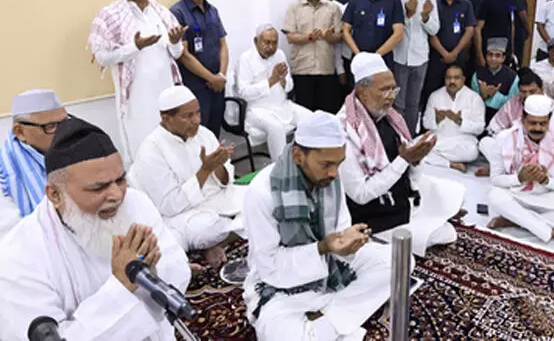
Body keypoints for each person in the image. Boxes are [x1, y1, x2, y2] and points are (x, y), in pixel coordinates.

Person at [0, 117, 190, 340]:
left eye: (120, 180)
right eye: (99, 188)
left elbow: (177, 265)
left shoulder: (136, 203)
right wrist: (122, 286)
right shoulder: (19, 255)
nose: (117, 195)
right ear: (55, 194)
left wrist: (154, 273)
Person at [243, 111, 392, 340]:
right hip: (281, 288)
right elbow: (269, 266)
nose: (334, 173)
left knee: (397, 261)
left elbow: (340, 230)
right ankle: (337, 317)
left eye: (339, 163)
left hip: (331, 267)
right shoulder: (261, 192)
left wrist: (347, 242)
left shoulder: (330, 178)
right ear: (298, 155)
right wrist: (323, 247)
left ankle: (327, 317)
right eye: (326, 164)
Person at [338, 53, 463, 256]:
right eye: (384, 90)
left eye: (393, 89)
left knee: (454, 192)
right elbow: (360, 194)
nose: (391, 96)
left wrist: (417, 159)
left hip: (401, 196)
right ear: (362, 91)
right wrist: (404, 160)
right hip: (374, 214)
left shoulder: (391, 117)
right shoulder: (344, 130)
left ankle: (432, 214)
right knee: (445, 234)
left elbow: (410, 171)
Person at [128, 86, 246, 267]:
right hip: (184, 214)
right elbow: (169, 206)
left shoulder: (204, 134)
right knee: (206, 230)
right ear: (166, 119)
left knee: (258, 197)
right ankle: (216, 241)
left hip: (217, 200)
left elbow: (226, 181)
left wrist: (218, 166)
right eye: (188, 116)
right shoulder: (151, 150)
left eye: (198, 113)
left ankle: (215, 243)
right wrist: (204, 171)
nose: (196, 120)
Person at [88, 0, 187, 164]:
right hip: (136, 103)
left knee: (171, 151)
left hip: (166, 98)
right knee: (143, 153)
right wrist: (135, 47)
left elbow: (176, 54)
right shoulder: (109, 16)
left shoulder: (161, 12)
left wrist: (175, 42)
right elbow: (102, 57)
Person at [486, 94, 554, 249]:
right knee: (494, 196)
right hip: (515, 193)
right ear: (523, 119)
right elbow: (495, 179)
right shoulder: (504, 138)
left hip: (545, 196)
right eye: (532, 123)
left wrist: (545, 180)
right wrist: (519, 178)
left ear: (549, 121)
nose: (538, 128)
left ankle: (515, 220)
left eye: (543, 123)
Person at [234, 24, 311, 160]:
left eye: (274, 42)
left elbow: (289, 86)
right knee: (276, 128)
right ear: (256, 41)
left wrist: (282, 80)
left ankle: (304, 161)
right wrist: (271, 80)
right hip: (257, 110)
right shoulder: (245, 59)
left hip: (282, 105)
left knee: (311, 119)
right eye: (267, 42)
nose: (271, 47)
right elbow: (244, 93)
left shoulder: (280, 54)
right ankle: (280, 167)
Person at [170, 0, 229, 137]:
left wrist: (221, 76)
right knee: (196, 132)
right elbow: (183, 54)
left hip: (218, 85)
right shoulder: (177, 12)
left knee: (214, 131)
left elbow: (223, 45)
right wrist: (211, 78)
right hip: (195, 86)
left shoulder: (213, 11)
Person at [0, 90, 67, 238]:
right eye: (51, 126)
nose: (63, 132)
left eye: (65, 123)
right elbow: (12, 236)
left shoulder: (76, 149)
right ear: (20, 132)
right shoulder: (4, 176)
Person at [477, 68, 554, 177]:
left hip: (541, 153)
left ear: (541, 90)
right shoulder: (514, 102)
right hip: (515, 150)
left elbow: (552, 140)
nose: (527, 95)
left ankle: (509, 172)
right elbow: (494, 129)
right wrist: (510, 140)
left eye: (532, 91)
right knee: (485, 142)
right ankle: (509, 170)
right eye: (523, 92)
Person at [390, 0, 439, 135]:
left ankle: (410, 140)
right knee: (397, 103)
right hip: (398, 57)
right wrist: (408, 14)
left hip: (420, 59)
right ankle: (397, 139)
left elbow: (434, 29)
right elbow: (389, 28)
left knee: (413, 104)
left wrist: (425, 17)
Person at [283, 0, 343, 113]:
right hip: (303, 69)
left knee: (326, 112)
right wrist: (310, 37)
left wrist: (328, 37)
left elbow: (340, 36)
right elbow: (290, 37)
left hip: (325, 68)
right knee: (305, 112)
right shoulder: (294, 8)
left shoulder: (333, 8)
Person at [421, 0, 476, 109]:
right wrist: (445, 53)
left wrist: (454, 53)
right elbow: (430, 31)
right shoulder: (432, 3)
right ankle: (429, 121)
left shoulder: (466, 4)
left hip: (458, 56)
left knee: (456, 93)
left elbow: (469, 30)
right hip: (436, 57)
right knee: (431, 92)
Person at [342, 0, 405, 73]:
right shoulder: (355, 2)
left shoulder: (394, 2)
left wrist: (376, 56)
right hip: (359, 60)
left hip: (383, 60)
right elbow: (346, 31)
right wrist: (358, 55)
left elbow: (398, 34)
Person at [423, 65, 485, 172]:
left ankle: (437, 157)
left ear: (463, 79)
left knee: (472, 152)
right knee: (414, 146)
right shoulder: (435, 95)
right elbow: (425, 123)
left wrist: (459, 121)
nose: (452, 81)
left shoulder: (474, 98)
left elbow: (480, 128)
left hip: (462, 141)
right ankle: (450, 163)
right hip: (440, 139)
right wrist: (437, 120)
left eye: (456, 78)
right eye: (448, 78)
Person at [474, 0, 519, 65]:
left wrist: (512, 50)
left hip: (506, 49)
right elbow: (477, 29)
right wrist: (480, 56)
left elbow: (512, 23)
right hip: (490, 50)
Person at [470, 38, 519, 123]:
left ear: (503, 58)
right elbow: (472, 101)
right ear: (486, 56)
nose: (493, 58)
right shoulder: (477, 74)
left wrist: (495, 95)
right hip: (480, 116)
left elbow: (513, 103)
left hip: (502, 117)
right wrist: (484, 95)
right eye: (490, 54)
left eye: (497, 55)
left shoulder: (513, 77)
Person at [338, 0, 368, 93]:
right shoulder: (341, 10)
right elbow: (339, 40)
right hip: (349, 57)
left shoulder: (374, 8)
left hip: (369, 55)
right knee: (351, 91)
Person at [511, 0, 531, 65]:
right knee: (517, 59)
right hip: (518, 32)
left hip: (513, 31)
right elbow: (523, 15)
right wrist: (528, 30)